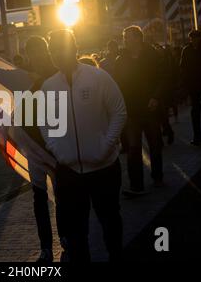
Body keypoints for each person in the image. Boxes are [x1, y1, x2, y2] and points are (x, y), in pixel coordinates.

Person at [40, 29, 127, 262]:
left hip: (104, 168)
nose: (57, 54)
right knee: (77, 234)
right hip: (70, 173)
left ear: (74, 48)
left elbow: (119, 111)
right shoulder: (48, 86)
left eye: (62, 48)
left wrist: (106, 145)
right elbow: (45, 124)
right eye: (53, 50)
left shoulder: (98, 77)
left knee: (110, 222)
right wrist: (58, 151)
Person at [114, 25, 166, 197]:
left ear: (138, 38)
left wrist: (156, 97)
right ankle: (137, 185)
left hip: (150, 108)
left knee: (155, 144)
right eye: (124, 37)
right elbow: (117, 84)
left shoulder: (153, 55)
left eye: (128, 37)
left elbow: (163, 78)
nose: (125, 40)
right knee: (134, 148)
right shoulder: (121, 59)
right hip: (132, 110)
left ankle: (158, 177)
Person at [22, 36, 59, 262]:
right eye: (30, 53)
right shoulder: (25, 77)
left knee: (61, 194)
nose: (33, 57)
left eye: (36, 52)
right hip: (35, 147)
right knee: (39, 197)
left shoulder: (54, 75)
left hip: (55, 146)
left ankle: (64, 237)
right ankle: (46, 245)